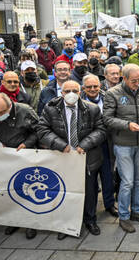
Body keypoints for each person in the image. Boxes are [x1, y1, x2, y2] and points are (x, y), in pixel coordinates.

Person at [38, 80, 106, 239]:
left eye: (74, 91)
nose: (71, 94)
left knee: (90, 190)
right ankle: (67, 223)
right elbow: (42, 130)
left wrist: (85, 144)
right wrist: (61, 145)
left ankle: (90, 220)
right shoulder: (51, 108)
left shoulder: (92, 109)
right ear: (61, 93)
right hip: (63, 158)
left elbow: (101, 130)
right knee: (65, 191)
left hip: (86, 158)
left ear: (80, 91)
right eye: (67, 91)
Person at [0, 93, 40, 239]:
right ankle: (13, 221)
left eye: (2, 112)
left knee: (26, 191)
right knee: (8, 190)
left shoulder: (25, 111)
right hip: (0, 158)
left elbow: (39, 131)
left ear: (10, 105)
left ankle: (31, 223)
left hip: (23, 156)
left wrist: (27, 144)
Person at [103, 64, 139, 233]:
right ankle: (124, 216)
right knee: (127, 182)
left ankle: (138, 210)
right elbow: (107, 118)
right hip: (123, 144)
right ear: (123, 78)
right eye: (133, 81)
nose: (137, 83)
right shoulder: (113, 94)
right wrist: (127, 125)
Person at [81, 74, 118, 217]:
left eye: (95, 86)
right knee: (91, 180)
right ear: (83, 88)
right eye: (89, 87)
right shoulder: (80, 101)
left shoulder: (107, 97)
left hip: (107, 143)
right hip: (89, 145)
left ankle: (109, 204)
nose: (92, 89)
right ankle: (91, 209)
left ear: (100, 85)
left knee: (108, 175)